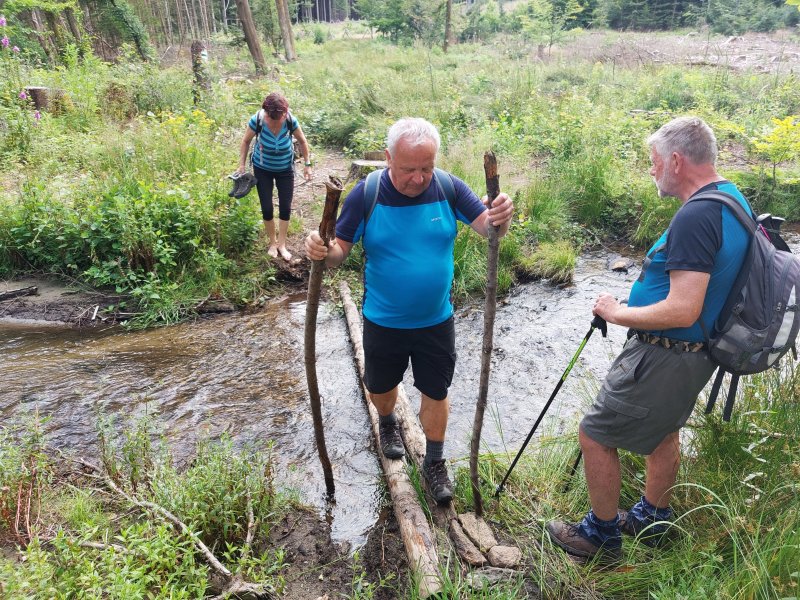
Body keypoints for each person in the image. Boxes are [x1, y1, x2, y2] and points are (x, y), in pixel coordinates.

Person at [546, 116, 753, 562]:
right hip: (696, 355)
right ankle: (651, 519)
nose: (652, 170)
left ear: (676, 161)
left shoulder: (697, 216)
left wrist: (618, 312)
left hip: (668, 353)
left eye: (654, 161)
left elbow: (683, 308)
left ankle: (600, 537)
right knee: (664, 431)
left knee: (595, 434)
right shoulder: (731, 198)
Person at [304, 117, 514, 504]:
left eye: (426, 168)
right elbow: (338, 254)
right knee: (380, 389)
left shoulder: (449, 188)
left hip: (436, 320)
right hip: (383, 321)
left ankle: (435, 461)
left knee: (436, 390)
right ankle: (387, 421)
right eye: (408, 169)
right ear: (387, 159)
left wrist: (502, 216)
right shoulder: (365, 194)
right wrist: (320, 248)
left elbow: (490, 232)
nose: (419, 178)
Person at [237, 92, 312, 261]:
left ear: (285, 112)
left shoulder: (290, 120)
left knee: (285, 206)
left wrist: (307, 165)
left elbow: (302, 141)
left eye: (281, 116)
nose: (277, 120)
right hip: (262, 168)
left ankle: (282, 244)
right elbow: (245, 141)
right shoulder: (257, 120)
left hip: (285, 169)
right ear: (266, 112)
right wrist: (241, 164)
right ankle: (272, 242)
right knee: (267, 207)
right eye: (273, 117)